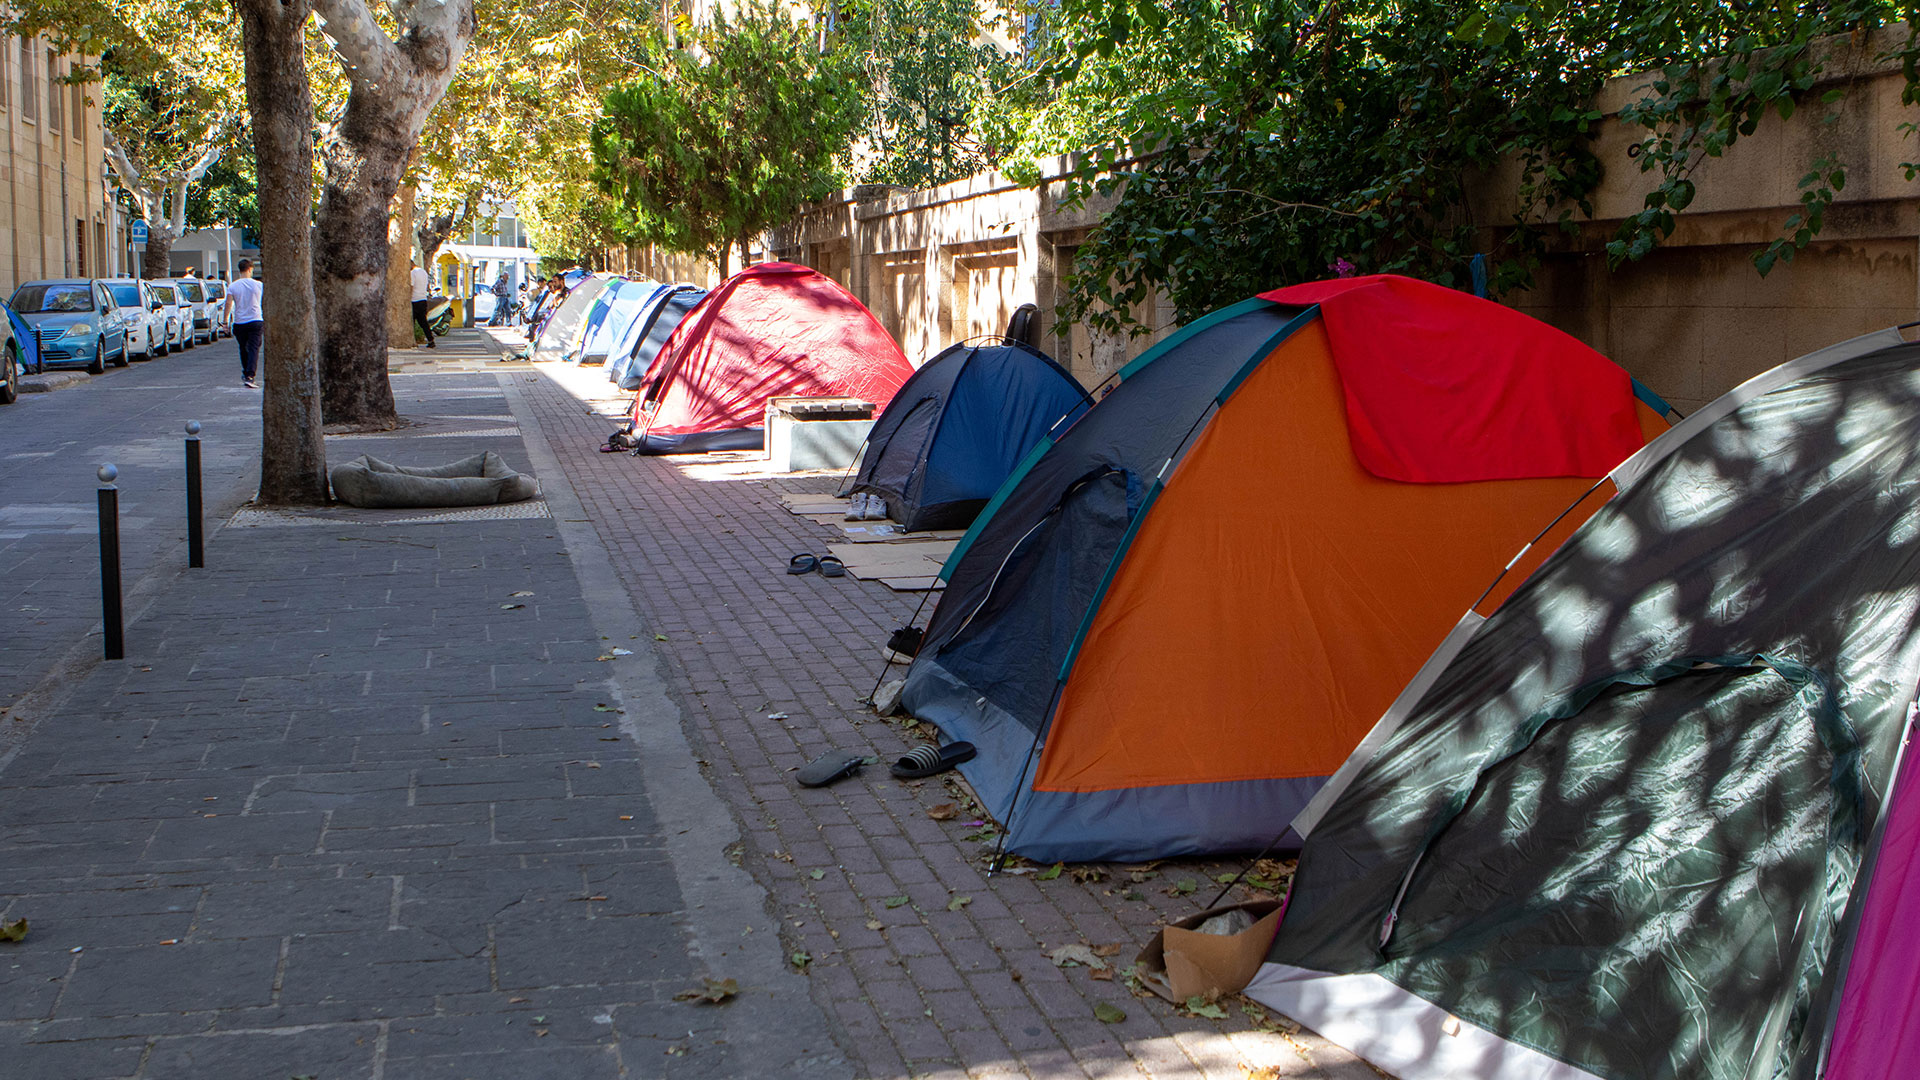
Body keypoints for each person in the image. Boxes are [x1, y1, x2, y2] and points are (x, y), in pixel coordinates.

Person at [224, 259, 264, 389]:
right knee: (254, 348)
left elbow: (228, 303)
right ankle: (250, 375)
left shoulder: (233, 286)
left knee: (243, 347)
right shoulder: (258, 285)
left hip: (240, 321)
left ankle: (246, 371)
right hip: (256, 320)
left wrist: (225, 321)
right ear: (250, 269)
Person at [409, 260, 437, 349]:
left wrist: (408, 297)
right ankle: (430, 340)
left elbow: (411, 286)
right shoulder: (423, 272)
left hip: (414, 300)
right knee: (423, 322)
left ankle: (412, 341)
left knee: (411, 322)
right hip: (423, 299)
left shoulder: (413, 273)